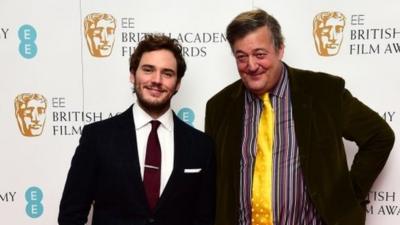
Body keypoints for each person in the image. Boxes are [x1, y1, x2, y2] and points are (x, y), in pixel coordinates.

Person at [205, 9, 394, 225]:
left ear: (280, 49)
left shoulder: (324, 92)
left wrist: (348, 196)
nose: (251, 65)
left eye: (260, 54)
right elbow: (212, 181)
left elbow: (380, 137)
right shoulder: (218, 107)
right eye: (241, 57)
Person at [59, 34, 215, 225]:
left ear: (178, 84)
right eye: (148, 70)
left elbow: (205, 218)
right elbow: (70, 214)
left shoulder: (201, 146)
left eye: (167, 73)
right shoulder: (97, 137)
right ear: (133, 75)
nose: (156, 80)